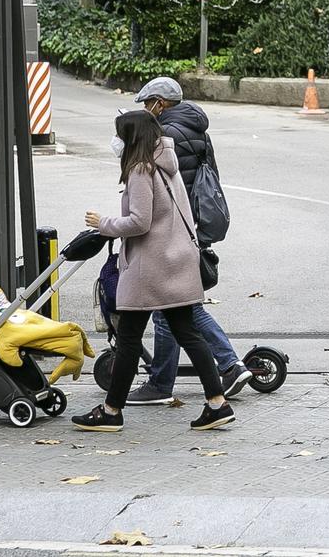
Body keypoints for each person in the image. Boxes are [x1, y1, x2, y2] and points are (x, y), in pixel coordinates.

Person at [73, 110, 234, 433]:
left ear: (132, 137)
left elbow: (139, 222)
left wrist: (103, 223)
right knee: (188, 333)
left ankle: (111, 410)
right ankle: (217, 403)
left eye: (120, 135)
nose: (117, 141)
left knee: (130, 339)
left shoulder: (140, 169)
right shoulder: (166, 164)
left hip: (151, 268)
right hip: (176, 261)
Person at [125, 77, 249, 406]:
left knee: (175, 310)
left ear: (160, 104)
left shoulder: (169, 134)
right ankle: (209, 370)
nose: (145, 111)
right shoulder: (194, 127)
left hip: (173, 230)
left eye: (147, 104)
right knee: (177, 309)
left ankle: (220, 367)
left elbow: (154, 176)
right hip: (191, 225)